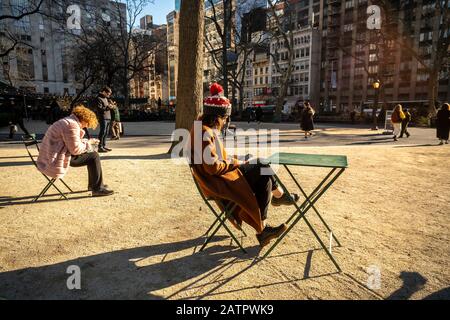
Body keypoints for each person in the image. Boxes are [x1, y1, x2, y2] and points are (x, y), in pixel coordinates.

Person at [190, 83, 299, 248]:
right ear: (218, 117)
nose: (225, 121)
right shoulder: (205, 132)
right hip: (219, 182)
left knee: (264, 177)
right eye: (225, 118)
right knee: (262, 164)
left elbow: (215, 159)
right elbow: (212, 167)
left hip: (219, 177)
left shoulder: (201, 128)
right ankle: (278, 197)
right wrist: (236, 162)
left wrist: (238, 159)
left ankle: (263, 229)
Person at [37, 105, 114, 197]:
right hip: (56, 158)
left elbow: (72, 143)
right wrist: (89, 143)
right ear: (84, 119)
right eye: (88, 124)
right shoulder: (71, 125)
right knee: (94, 156)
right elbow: (75, 150)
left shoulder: (68, 121)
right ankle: (97, 188)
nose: (87, 126)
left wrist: (87, 142)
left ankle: (95, 185)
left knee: (91, 154)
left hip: (53, 154)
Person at [95, 87, 115, 153]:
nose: (108, 95)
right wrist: (108, 107)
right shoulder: (98, 98)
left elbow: (107, 107)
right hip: (102, 117)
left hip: (108, 117)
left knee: (106, 133)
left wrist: (111, 107)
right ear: (104, 92)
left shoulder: (106, 98)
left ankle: (103, 146)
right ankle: (99, 147)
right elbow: (99, 109)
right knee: (102, 132)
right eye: (108, 94)